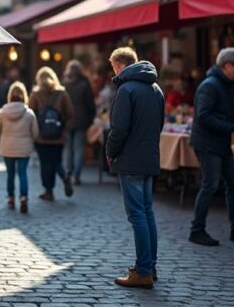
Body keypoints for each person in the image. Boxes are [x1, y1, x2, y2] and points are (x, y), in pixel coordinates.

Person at [189, 47, 234, 247]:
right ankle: (197, 230)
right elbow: (204, 116)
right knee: (210, 185)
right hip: (208, 144)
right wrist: (231, 127)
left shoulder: (221, 84)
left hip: (219, 143)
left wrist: (230, 125)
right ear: (227, 66)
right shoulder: (210, 85)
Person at [105, 47, 163, 288]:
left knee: (137, 214)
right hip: (149, 157)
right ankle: (150, 266)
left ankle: (143, 271)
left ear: (119, 65)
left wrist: (110, 152)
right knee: (147, 213)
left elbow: (118, 129)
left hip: (130, 159)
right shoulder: (156, 88)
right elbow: (159, 125)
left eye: (113, 68)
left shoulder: (126, 89)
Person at [0, 81, 38, 214]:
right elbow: (35, 133)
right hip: (24, 148)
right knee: (23, 173)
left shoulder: (2, 112)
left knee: (10, 174)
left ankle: (11, 198)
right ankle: (23, 197)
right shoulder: (29, 113)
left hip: (7, 148)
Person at [29, 66, 74, 201]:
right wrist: (61, 124)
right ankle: (64, 177)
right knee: (56, 162)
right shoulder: (62, 93)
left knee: (45, 163)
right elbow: (70, 112)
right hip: (58, 136)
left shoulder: (35, 94)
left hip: (41, 136)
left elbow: (30, 113)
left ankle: (48, 191)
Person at [62, 60, 96, 186]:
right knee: (79, 148)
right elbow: (91, 104)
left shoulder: (65, 84)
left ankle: (68, 172)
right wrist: (90, 119)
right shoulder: (85, 84)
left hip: (67, 120)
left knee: (68, 148)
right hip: (82, 120)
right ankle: (76, 176)